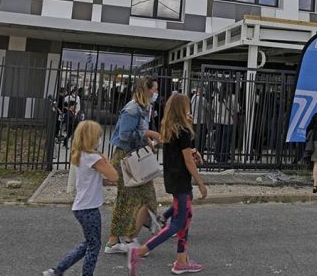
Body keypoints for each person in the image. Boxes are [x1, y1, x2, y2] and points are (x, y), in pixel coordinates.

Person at [127, 94, 208, 276]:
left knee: (186, 215)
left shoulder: (170, 128)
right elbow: (187, 160)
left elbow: (182, 152)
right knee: (179, 222)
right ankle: (140, 252)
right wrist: (201, 182)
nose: (190, 109)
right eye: (187, 106)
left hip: (172, 178)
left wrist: (192, 147)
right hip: (181, 179)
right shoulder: (184, 130)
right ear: (182, 108)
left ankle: (181, 260)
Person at [42, 121, 118, 276]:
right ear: (92, 138)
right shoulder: (93, 157)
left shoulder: (80, 155)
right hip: (89, 208)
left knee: (89, 243)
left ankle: (57, 270)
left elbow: (97, 178)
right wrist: (104, 157)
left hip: (81, 207)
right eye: (98, 137)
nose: (100, 140)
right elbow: (114, 176)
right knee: (94, 246)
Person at [105, 76, 162, 255]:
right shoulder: (132, 109)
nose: (156, 93)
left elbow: (137, 134)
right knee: (127, 199)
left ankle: (133, 235)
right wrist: (148, 133)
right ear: (146, 89)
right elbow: (124, 136)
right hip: (126, 160)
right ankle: (119, 240)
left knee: (144, 197)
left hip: (135, 158)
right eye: (155, 89)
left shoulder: (144, 108)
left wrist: (148, 143)